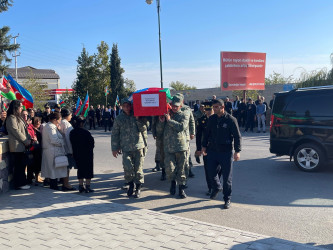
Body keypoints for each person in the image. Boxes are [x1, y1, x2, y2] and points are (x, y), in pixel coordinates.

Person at [202, 99, 241, 209]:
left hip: (226, 152)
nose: (214, 109)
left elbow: (237, 136)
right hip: (212, 150)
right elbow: (207, 133)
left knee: (227, 178)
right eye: (213, 107)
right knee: (210, 172)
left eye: (216, 107)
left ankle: (227, 199)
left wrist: (237, 151)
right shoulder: (212, 119)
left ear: (222, 107)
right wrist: (203, 146)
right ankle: (216, 187)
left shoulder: (231, 120)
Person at [111, 98, 148, 199]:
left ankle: (138, 187)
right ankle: (131, 184)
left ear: (131, 106)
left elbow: (144, 128)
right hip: (126, 147)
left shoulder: (138, 115)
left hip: (138, 146)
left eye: (128, 106)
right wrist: (114, 148)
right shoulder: (119, 118)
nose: (126, 108)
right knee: (127, 167)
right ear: (122, 107)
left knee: (138, 168)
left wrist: (138, 119)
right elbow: (115, 134)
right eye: (124, 106)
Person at [162, 95, 190, 199]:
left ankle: (181, 189)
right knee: (169, 168)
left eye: (177, 106)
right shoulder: (167, 114)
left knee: (182, 169)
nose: (174, 108)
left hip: (180, 146)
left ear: (181, 105)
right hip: (168, 147)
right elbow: (159, 131)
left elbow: (181, 127)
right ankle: (173, 182)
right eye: (173, 105)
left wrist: (169, 121)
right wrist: (162, 121)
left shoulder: (184, 115)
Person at [195, 101, 220, 196]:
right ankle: (211, 187)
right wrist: (198, 148)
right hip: (206, 148)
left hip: (218, 148)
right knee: (208, 169)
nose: (208, 112)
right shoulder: (202, 120)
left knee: (218, 169)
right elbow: (198, 135)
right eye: (206, 110)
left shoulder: (218, 118)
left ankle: (216, 184)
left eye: (210, 109)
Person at [5, 100, 32, 190]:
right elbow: (16, 131)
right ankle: (19, 184)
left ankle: (22, 182)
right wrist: (25, 140)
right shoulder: (11, 118)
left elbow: (24, 130)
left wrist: (28, 139)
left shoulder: (18, 117)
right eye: (20, 106)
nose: (22, 108)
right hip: (17, 146)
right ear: (16, 107)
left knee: (22, 165)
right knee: (19, 166)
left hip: (22, 145)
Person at [41, 112, 67, 190]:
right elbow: (54, 140)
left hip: (53, 151)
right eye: (59, 119)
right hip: (52, 151)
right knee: (53, 170)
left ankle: (54, 185)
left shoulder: (52, 126)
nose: (60, 121)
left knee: (54, 170)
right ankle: (53, 186)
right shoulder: (50, 127)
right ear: (55, 120)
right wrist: (63, 142)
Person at [70, 116, 95, 193]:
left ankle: (81, 186)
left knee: (80, 169)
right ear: (81, 123)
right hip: (87, 154)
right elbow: (92, 143)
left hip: (77, 153)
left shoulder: (72, 132)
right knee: (88, 170)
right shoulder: (86, 132)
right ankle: (88, 186)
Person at [59, 109, 76, 191]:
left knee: (65, 167)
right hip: (67, 149)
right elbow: (69, 139)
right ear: (67, 115)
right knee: (67, 167)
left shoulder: (61, 122)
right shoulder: (66, 124)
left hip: (63, 148)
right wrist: (71, 150)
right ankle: (66, 184)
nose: (71, 116)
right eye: (70, 114)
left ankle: (65, 183)